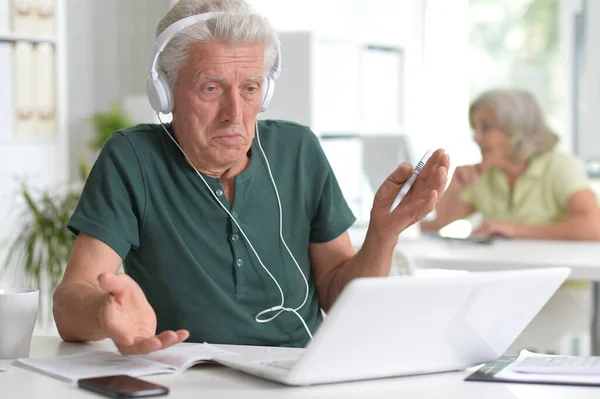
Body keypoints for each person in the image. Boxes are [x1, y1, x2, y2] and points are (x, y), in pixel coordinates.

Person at [52, 0, 449, 356]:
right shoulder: (133, 158)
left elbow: (338, 296)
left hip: (301, 372)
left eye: (250, 88)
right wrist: (106, 313)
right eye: (210, 88)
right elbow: (71, 301)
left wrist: (383, 236)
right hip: (192, 380)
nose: (235, 113)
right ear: (166, 92)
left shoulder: (298, 150)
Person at [421, 88, 600, 240]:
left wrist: (516, 230)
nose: (476, 137)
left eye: (487, 127)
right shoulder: (485, 173)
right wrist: (454, 188)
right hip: (505, 277)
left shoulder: (558, 166)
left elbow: (594, 226)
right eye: (475, 128)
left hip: (560, 280)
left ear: (516, 130)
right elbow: (436, 225)